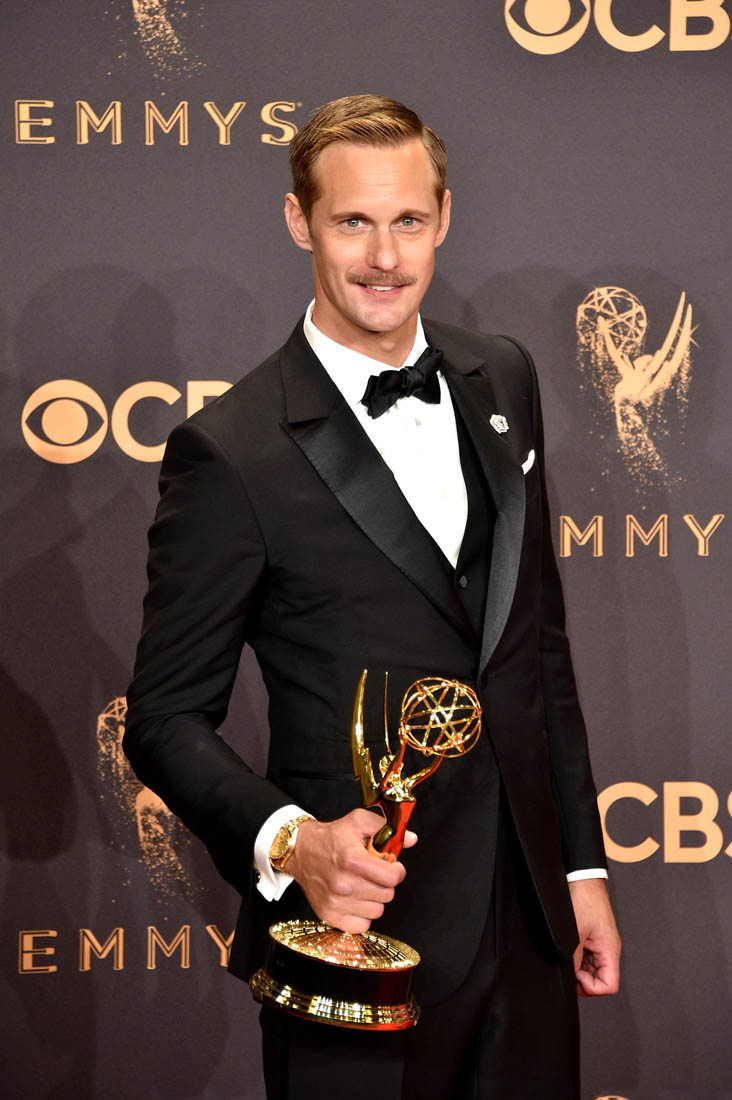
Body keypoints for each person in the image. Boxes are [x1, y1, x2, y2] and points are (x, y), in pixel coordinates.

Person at [125, 94, 621, 1100]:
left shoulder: (502, 377)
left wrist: (580, 869)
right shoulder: (232, 450)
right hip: (354, 941)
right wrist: (293, 841)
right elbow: (164, 718)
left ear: (444, 218)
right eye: (353, 221)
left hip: (529, 924)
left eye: (408, 220)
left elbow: (536, 649)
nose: (385, 256)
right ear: (299, 221)